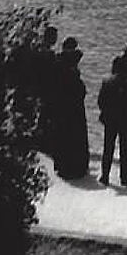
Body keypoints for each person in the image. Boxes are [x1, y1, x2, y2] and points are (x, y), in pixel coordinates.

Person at [97, 56, 127, 186]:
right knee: (125, 149)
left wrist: (106, 111)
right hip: (126, 120)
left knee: (108, 147)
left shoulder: (107, 82)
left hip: (110, 119)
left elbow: (100, 101)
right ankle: (125, 177)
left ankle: (104, 176)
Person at [52, 38, 89, 179]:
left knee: (62, 133)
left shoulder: (58, 63)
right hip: (73, 106)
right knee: (74, 135)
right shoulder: (69, 68)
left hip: (62, 104)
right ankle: (74, 166)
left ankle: (63, 164)